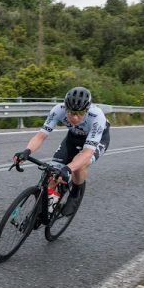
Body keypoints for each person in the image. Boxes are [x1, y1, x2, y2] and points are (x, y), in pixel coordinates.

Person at [13, 86, 110, 216]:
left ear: (87, 110)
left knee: (79, 166)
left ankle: (75, 195)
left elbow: (87, 153)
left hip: (98, 139)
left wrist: (68, 169)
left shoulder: (97, 117)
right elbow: (41, 136)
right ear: (65, 108)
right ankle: (43, 208)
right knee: (53, 174)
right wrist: (27, 151)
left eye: (80, 113)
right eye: (71, 112)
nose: (75, 118)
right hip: (73, 137)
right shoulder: (58, 110)